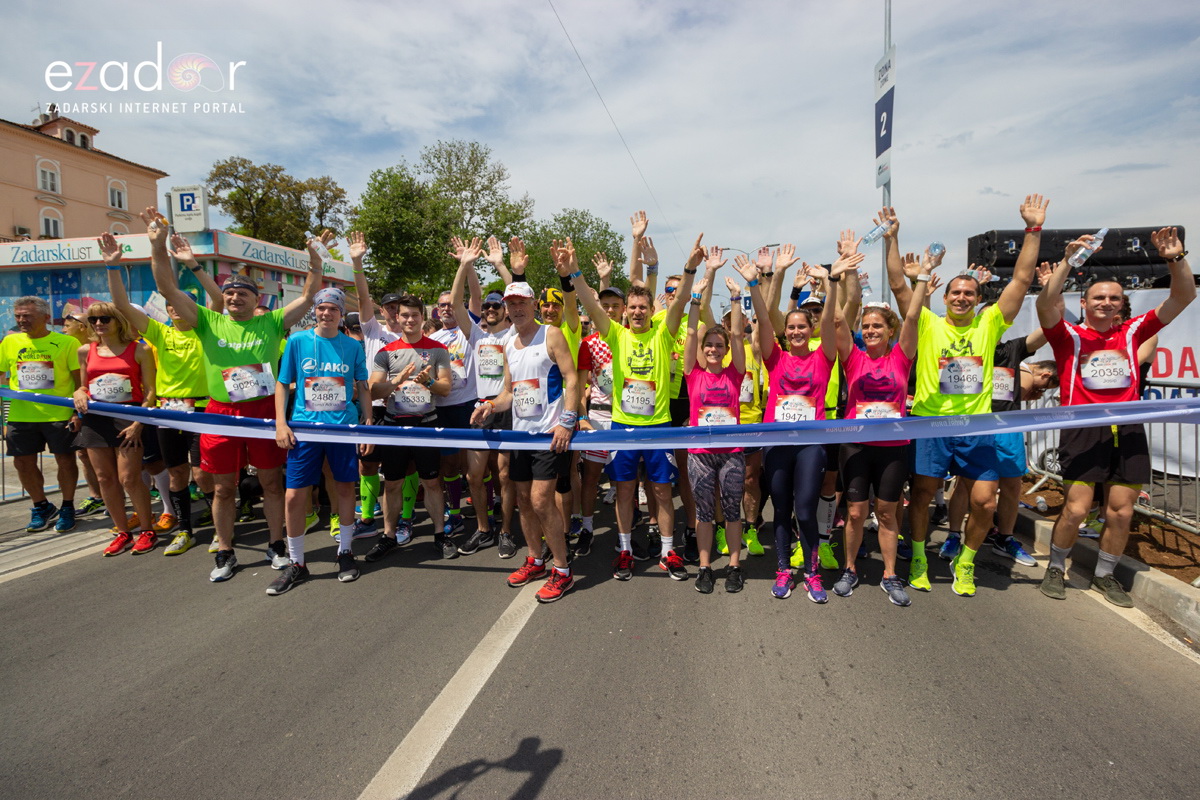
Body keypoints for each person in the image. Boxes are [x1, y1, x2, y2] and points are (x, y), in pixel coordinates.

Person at [145, 207, 326, 582]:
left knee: (271, 483)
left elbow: (309, 296)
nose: (235, 298)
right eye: (230, 293)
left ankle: (276, 545)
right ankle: (225, 550)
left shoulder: (271, 322)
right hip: (220, 412)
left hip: (263, 412)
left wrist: (315, 260)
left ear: (256, 298)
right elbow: (166, 288)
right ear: (223, 298)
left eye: (243, 293)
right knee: (223, 487)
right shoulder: (207, 321)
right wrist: (156, 244)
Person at [887, 196, 1047, 597]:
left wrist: (1033, 230)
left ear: (978, 299)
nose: (961, 297)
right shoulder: (926, 323)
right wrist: (892, 238)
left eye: (968, 294)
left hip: (977, 428)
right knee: (922, 496)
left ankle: (967, 563)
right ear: (944, 298)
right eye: (955, 292)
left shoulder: (990, 324)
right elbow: (896, 284)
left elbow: (1022, 281)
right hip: (931, 423)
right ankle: (920, 557)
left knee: (984, 503)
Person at [1036, 227, 1194, 607]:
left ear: (1122, 305)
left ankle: (1105, 575)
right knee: (1075, 510)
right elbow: (1045, 304)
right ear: (1085, 303)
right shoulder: (1068, 336)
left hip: (1127, 427)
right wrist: (1068, 263)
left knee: (1120, 512)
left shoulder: (1133, 331)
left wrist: (1175, 257)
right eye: (1098, 298)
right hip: (1082, 429)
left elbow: (1184, 295)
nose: (1106, 303)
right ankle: (1056, 567)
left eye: (1114, 299)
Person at [573, 234, 702, 582]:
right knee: (626, 490)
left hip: (658, 425)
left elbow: (682, 300)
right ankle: (625, 549)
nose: (637, 312)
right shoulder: (616, 334)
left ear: (651, 310)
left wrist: (689, 268)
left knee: (661, 491)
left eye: (643, 307)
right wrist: (575, 273)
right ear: (626, 312)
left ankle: (667, 551)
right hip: (623, 427)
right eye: (632, 308)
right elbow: (591, 302)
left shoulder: (663, 333)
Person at [740, 247, 862, 602]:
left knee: (805, 508)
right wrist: (753, 285)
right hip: (778, 444)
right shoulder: (775, 358)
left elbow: (833, 323)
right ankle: (782, 570)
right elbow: (764, 319)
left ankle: (811, 573)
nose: (795, 331)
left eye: (801, 327)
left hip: (811, 445)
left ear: (810, 330)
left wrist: (832, 282)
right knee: (780, 509)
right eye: (790, 327)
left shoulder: (824, 357)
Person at [100, 231, 223, 556]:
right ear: (167, 310)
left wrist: (191, 264)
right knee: (178, 473)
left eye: (182, 303)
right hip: (168, 412)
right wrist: (113, 267)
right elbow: (122, 305)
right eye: (171, 305)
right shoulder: (158, 332)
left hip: (202, 411)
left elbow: (219, 300)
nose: (176, 308)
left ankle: (218, 528)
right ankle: (186, 530)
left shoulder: (206, 331)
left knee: (203, 474)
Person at [471, 275, 580, 603]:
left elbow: (572, 378)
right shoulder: (507, 343)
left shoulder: (552, 333)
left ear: (533, 305)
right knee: (521, 499)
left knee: (541, 500)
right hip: (520, 435)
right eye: (511, 303)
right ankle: (535, 559)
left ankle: (561, 570)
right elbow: (509, 391)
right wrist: (490, 406)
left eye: (521, 302)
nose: (516, 308)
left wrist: (567, 422)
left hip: (549, 435)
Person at [267, 288, 373, 595]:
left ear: (341, 314)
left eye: (332, 309)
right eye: (322, 308)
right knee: (293, 496)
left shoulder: (352, 346)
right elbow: (282, 384)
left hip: (343, 428)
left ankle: (346, 552)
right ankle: (297, 562)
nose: (326, 313)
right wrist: (281, 423)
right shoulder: (298, 341)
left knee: (343, 488)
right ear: (315, 311)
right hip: (305, 430)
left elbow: (363, 386)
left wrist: (367, 424)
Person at [833, 256, 922, 606]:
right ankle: (850, 568)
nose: (870, 331)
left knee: (886, 512)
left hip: (893, 447)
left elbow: (913, 316)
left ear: (890, 330)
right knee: (854, 513)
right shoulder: (852, 357)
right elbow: (839, 318)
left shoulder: (902, 356)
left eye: (877, 327)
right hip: (856, 445)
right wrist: (841, 275)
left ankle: (889, 574)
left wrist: (923, 278)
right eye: (866, 327)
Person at [363, 294, 453, 562]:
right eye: (404, 315)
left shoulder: (438, 349)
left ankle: (440, 535)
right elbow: (372, 389)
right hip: (394, 427)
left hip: (426, 425)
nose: (410, 320)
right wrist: (396, 382)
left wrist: (429, 383)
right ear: (397, 317)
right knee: (392, 484)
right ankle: (388, 536)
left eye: (415, 315)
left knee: (432, 482)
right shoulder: (385, 352)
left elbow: (446, 389)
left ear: (422, 318)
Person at [71, 302, 158, 555]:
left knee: (129, 478)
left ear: (118, 320)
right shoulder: (85, 350)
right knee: (104, 479)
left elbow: (151, 391)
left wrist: (138, 423)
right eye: (94, 319)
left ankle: (146, 529)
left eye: (105, 319)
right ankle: (122, 531)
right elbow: (84, 385)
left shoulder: (139, 350)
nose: (99, 323)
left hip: (129, 417)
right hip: (96, 419)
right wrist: (78, 391)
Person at [447, 239, 515, 557]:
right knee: (475, 474)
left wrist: (501, 266)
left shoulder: (514, 334)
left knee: (504, 475)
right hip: (478, 409)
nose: (488, 310)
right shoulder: (475, 333)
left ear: (507, 310)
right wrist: (464, 265)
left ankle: (506, 531)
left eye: (495, 306)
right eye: (486, 307)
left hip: (507, 408)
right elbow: (458, 305)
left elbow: (518, 293)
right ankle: (483, 529)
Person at [683, 275, 746, 594]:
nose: (712, 349)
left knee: (733, 511)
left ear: (724, 350)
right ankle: (705, 567)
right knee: (704, 513)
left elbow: (736, 334)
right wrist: (696, 298)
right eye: (709, 345)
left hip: (732, 454)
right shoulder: (693, 374)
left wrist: (736, 298)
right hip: (701, 456)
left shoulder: (735, 374)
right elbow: (691, 331)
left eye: (718, 346)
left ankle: (734, 566)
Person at [0, 296, 81, 533]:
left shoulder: (67, 343)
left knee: (65, 461)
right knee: (22, 463)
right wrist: (5, 417)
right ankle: (41, 507)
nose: (22, 320)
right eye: (18, 316)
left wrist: (77, 413)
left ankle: (67, 507)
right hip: (21, 414)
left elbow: (79, 382)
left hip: (59, 414)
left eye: (27, 316)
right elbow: (2, 376)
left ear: (46, 318)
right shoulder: (9, 342)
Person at [431, 252, 484, 545]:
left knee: (475, 466)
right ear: (437, 312)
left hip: (468, 403)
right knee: (449, 466)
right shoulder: (433, 340)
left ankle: (484, 509)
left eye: (451, 303)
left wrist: (467, 266)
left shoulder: (469, 329)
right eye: (442, 306)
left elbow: (474, 295)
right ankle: (454, 511)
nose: (447, 308)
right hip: (443, 406)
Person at [61, 309, 105, 516]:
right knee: (84, 454)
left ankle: (115, 494)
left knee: (108, 456)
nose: (63, 328)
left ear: (81, 326)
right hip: (79, 406)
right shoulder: (70, 347)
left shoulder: (96, 347)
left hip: (101, 407)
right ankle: (97, 496)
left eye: (67, 324)